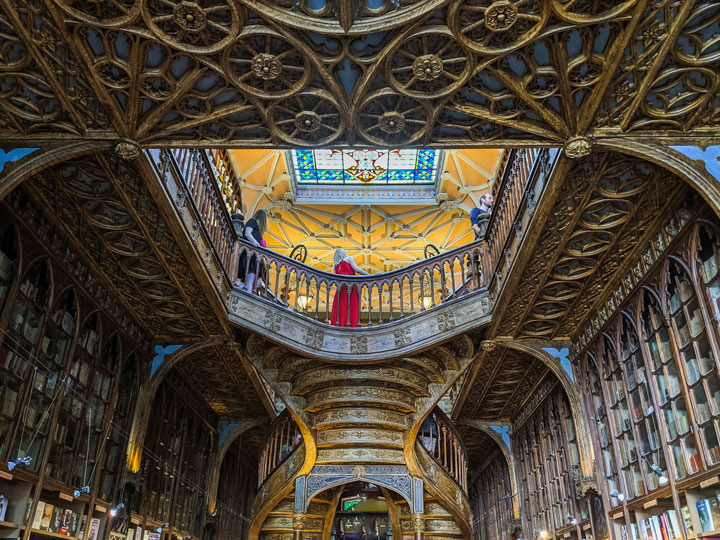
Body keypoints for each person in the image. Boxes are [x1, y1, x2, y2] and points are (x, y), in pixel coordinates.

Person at [330, 248, 368, 327]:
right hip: (351, 288)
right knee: (352, 309)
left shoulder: (336, 266)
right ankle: (352, 325)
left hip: (341, 291)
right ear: (343, 253)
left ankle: (340, 326)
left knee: (341, 310)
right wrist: (370, 275)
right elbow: (357, 269)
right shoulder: (349, 258)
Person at [238, 209, 267, 294]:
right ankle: (248, 293)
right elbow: (247, 233)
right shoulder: (252, 221)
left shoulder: (258, 229)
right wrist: (254, 241)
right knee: (251, 277)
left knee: (257, 279)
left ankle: (245, 289)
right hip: (250, 254)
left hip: (254, 255)